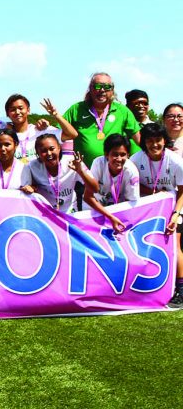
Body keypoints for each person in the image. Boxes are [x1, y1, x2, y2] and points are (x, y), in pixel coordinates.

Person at [130, 123, 183, 307]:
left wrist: (176, 214)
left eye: (158, 140)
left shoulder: (175, 160)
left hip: (172, 208)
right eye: (150, 141)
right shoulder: (136, 160)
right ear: (144, 143)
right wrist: (153, 194)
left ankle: (181, 288)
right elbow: (132, 184)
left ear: (164, 141)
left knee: (174, 243)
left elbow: (182, 190)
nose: (154, 145)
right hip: (147, 209)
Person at [63, 72, 141, 168]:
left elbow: (140, 140)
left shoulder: (122, 111)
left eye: (107, 87)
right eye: (97, 86)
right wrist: (45, 126)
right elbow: (58, 133)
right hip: (83, 174)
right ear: (90, 89)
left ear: (112, 90)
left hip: (113, 174)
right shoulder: (76, 109)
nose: (102, 90)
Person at [20, 134, 97, 213]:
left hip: (70, 212)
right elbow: (28, 187)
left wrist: (81, 172)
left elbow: (95, 189)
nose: (49, 153)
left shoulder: (73, 162)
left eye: (52, 149)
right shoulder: (32, 166)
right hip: (46, 213)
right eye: (43, 151)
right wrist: (30, 187)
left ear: (59, 148)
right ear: (37, 153)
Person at [83, 134, 139, 232]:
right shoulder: (98, 163)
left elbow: (132, 203)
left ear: (128, 155)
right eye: (115, 154)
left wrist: (115, 217)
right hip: (94, 210)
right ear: (106, 154)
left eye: (123, 154)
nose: (119, 159)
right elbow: (88, 197)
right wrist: (109, 216)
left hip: (118, 214)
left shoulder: (131, 171)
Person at [4, 94, 77, 162]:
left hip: (40, 175)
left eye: (20, 108)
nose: (17, 112)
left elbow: (72, 134)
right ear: (7, 113)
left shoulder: (42, 130)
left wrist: (56, 115)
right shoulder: (5, 137)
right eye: (13, 109)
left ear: (28, 110)